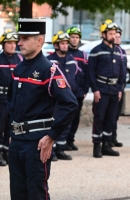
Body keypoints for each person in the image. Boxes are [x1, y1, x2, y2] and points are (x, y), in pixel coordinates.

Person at [8, 18, 78, 200]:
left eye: (25, 38)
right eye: (19, 38)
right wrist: (11, 130)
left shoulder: (49, 70)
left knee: (37, 193)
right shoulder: (19, 68)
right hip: (17, 141)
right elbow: (11, 102)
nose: (19, 43)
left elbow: (70, 104)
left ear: (39, 41)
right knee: (17, 193)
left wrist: (52, 136)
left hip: (36, 144)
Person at [87, 19, 125, 158]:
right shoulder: (96, 51)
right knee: (100, 117)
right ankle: (97, 146)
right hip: (101, 89)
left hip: (115, 89)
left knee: (111, 118)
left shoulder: (118, 51)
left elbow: (121, 71)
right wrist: (95, 90)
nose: (113, 36)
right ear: (103, 34)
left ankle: (107, 145)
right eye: (110, 33)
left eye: (115, 33)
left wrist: (120, 88)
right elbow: (90, 72)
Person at [47, 30, 82, 160]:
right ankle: (52, 149)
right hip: (55, 99)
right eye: (62, 43)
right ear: (56, 45)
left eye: (66, 44)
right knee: (53, 123)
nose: (65, 46)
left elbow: (78, 76)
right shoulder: (49, 60)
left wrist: (78, 92)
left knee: (66, 123)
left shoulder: (71, 59)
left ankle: (61, 148)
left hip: (69, 97)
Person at [0, 30, 23, 166]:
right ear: (3, 44)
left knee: (10, 127)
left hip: (14, 100)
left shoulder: (20, 60)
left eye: (14, 43)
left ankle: (7, 152)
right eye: (9, 43)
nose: (12, 45)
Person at [66, 26, 89, 151]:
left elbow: (86, 73)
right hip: (67, 91)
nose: (74, 40)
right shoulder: (65, 52)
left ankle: (70, 140)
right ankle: (61, 141)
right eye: (72, 37)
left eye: (77, 37)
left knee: (76, 118)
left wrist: (85, 90)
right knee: (65, 117)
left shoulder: (83, 55)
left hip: (79, 92)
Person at [111, 26, 127, 148]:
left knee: (115, 115)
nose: (117, 38)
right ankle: (107, 139)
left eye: (119, 37)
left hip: (120, 87)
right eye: (115, 36)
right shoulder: (112, 52)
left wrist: (121, 88)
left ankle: (113, 137)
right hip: (109, 88)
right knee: (108, 115)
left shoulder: (122, 52)